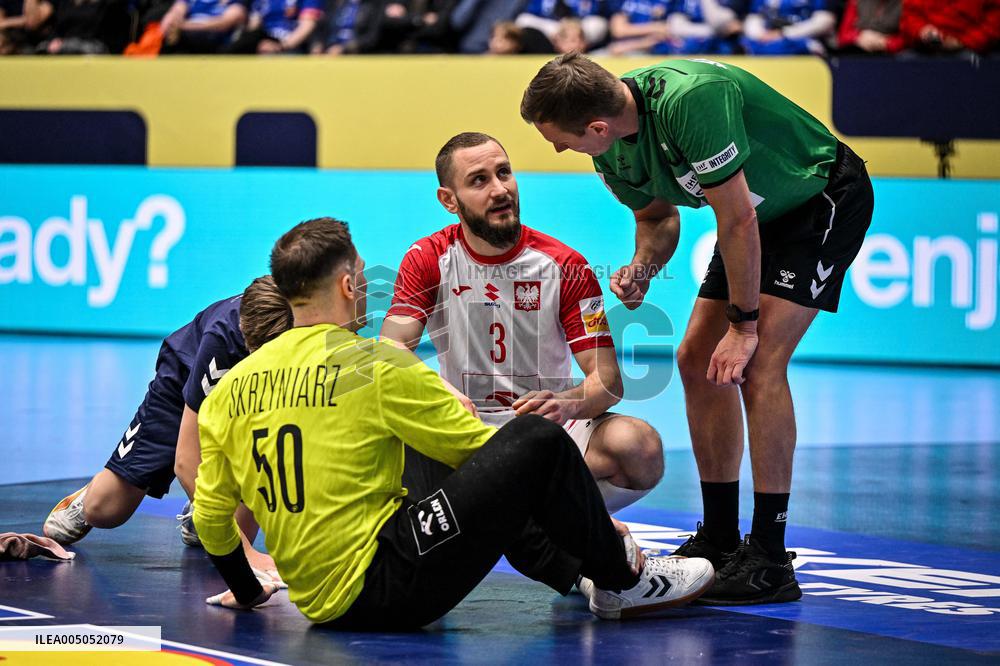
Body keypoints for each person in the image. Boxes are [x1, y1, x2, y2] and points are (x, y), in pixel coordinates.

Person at [193, 216, 714, 625]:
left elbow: (210, 520)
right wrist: (587, 523)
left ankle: (586, 570)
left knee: (498, 448)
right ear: (351, 285)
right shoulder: (371, 362)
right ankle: (623, 578)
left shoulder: (231, 388)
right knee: (534, 439)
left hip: (316, 600)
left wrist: (246, 588)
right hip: (390, 587)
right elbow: (484, 457)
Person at [521, 54, 874, 605]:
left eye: (559, 139)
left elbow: (736, 220)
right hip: (752, 217)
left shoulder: (692, 99)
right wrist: (642, 266)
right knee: (695, 361)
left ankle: (771, 557)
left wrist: (744, 325)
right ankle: (720, 536)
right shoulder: (613, 147)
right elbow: (658, 218)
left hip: (816, 199)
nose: (558, 150)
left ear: (596, 126)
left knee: (757, 365)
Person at [381, 132, 663, 515]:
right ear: (449, 200)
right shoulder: (427, 258)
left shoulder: (566, 265)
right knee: (372, 428)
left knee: (639, 446)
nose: (500, 189)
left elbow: (608, 383)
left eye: (504, 173)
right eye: (479, 180)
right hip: (460, 432)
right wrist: (440, 395)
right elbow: (391, 349)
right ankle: (530, 512)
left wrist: (563, 404)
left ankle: (562, 526)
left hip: (545, 436)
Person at [43, 276, 292, 576]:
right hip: (184, 383)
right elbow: (186, 461)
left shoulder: (314, 320)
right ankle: (88, 499)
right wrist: (246, 555)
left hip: (251, 392)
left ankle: (200, 514)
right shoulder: (222, 340)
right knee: (108, 510)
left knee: (231, 518)